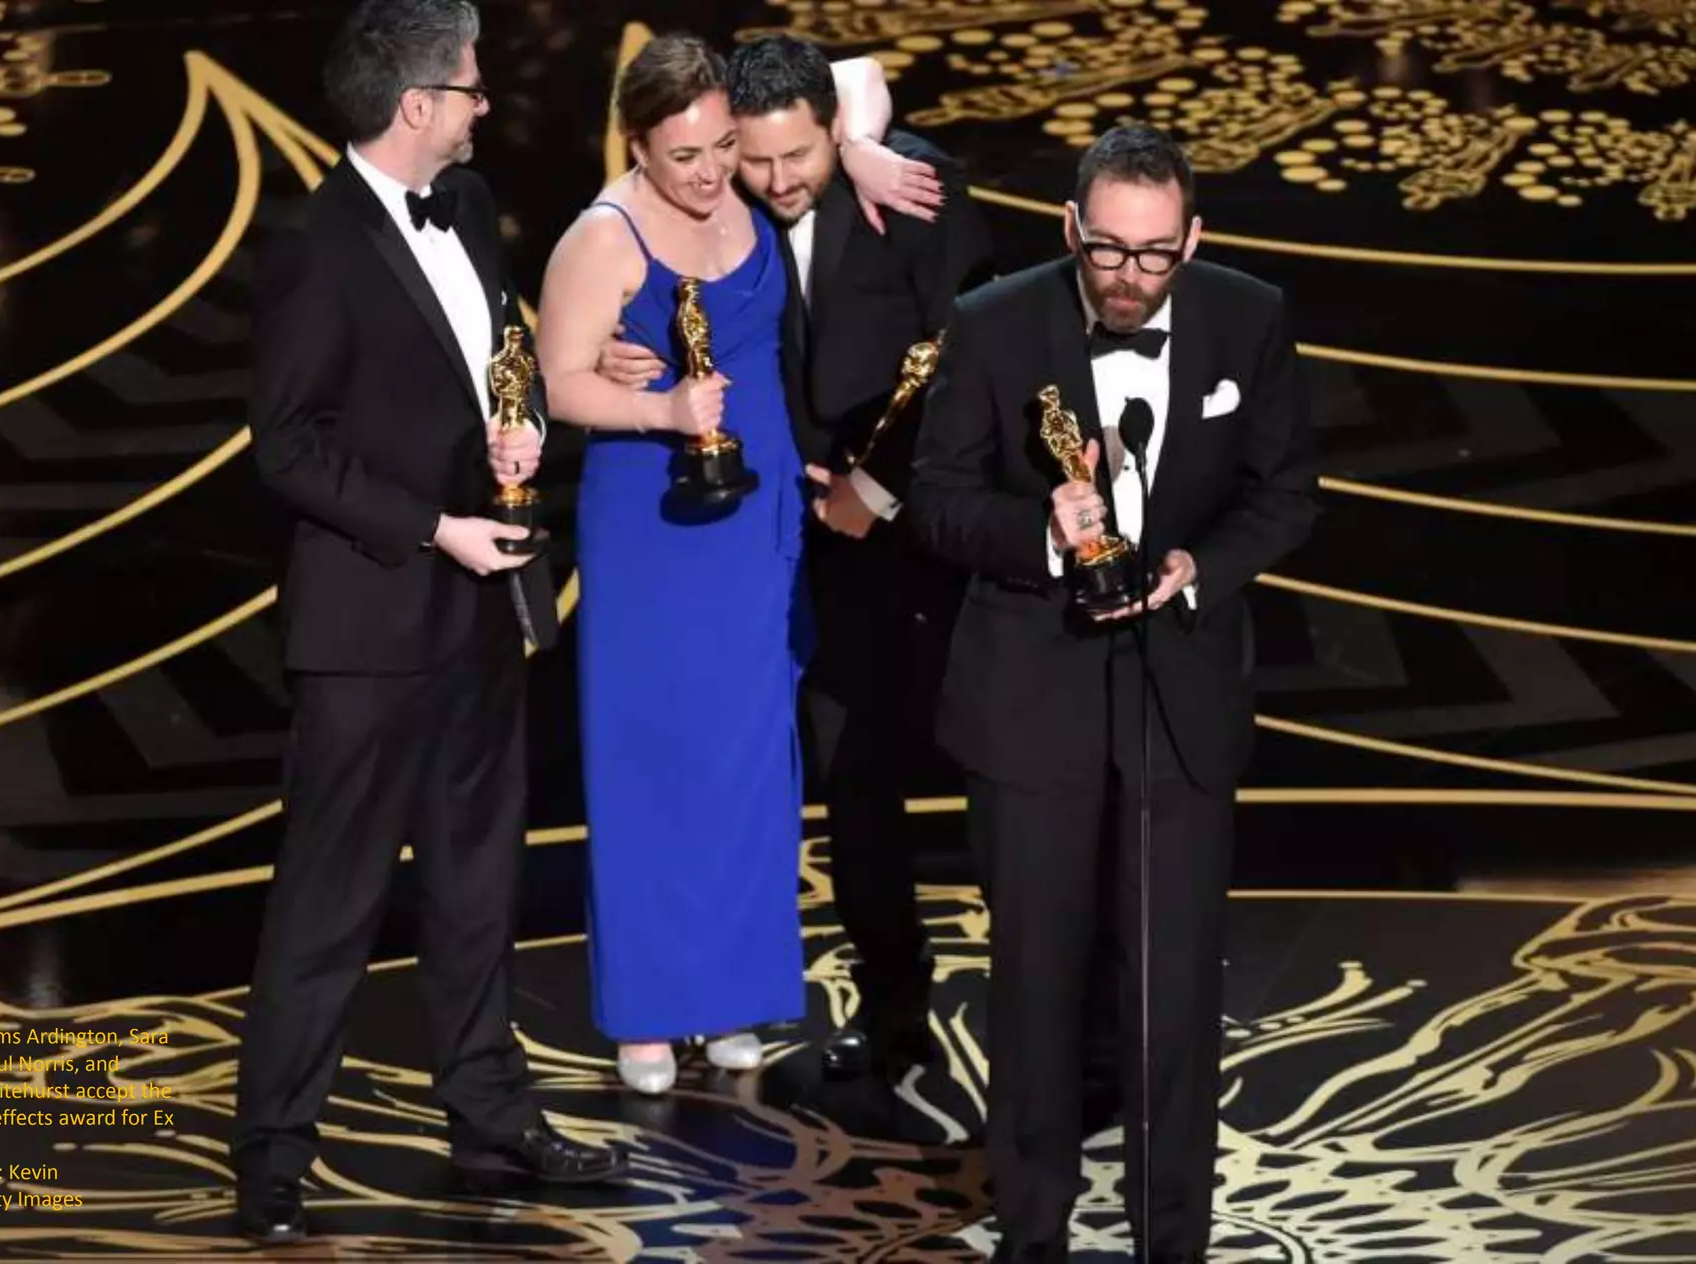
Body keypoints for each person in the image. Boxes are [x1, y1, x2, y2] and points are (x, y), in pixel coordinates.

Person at [234, 0, 625, 1243]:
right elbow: (286, 446)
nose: (482, 104)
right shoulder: (314, 243)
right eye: (468, 86)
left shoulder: (466, 201)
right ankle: (273, 1158)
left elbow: (493, 362)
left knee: (475, 886)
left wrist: (515, 433)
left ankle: (489, 1114)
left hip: (477, 615)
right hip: (368, 632)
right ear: (416, 105)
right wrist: (432, 526)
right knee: (329, 903)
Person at [905, 123, 1321, 1261]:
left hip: (1180, 697)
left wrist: (1201, 565)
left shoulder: (1248, 317)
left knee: (1172, 994)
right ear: (1069, 228)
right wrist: (1041, 531)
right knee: (1035, 987)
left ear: (1194, 238)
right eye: (1106, 250)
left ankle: (1170, 1241)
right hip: (1027, 696)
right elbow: (936, 501)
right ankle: (1031, 1234)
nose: (1129, 277)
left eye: (1154, 254)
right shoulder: (994, 324)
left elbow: (1286, 491)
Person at [524, 33, 944, 1096]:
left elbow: (853, 75)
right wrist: (662, 408)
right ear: (635, 144)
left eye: (723, 147)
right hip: (655, 531)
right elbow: (558, 383)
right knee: (652, 763)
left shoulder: (746, 189)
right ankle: (651, 1014)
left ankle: (734, 998)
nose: (714, 172)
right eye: (686, 156)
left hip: (762, 529)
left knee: (748, 764)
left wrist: (856, 150)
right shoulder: (603, 237)